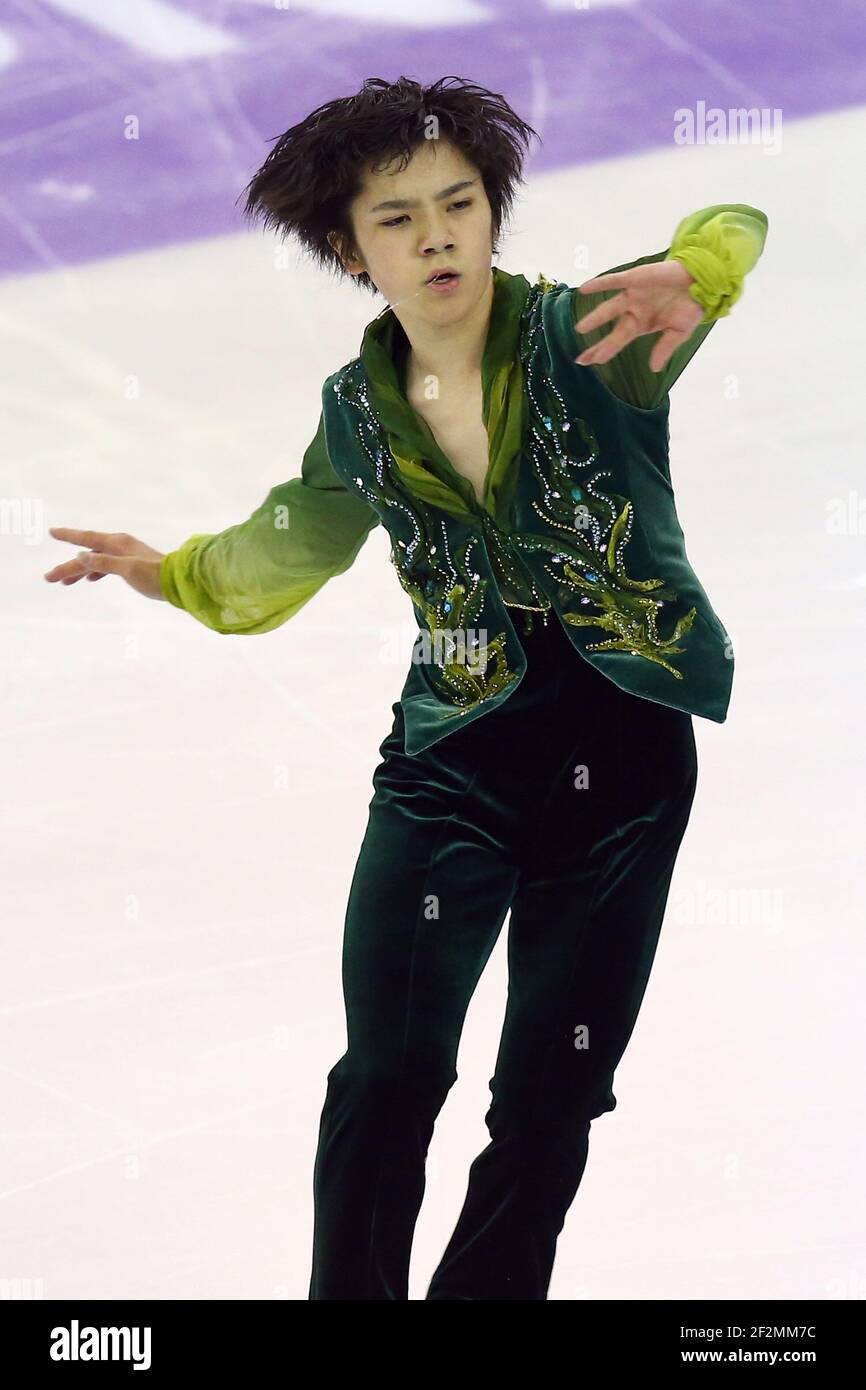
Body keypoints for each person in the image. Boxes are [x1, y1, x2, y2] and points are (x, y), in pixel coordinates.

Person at [45, 75, 768, 1300]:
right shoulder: (357, 416)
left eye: (459, 203)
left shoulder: (590, 336)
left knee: (551, 1095)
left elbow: (738, 217)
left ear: (493, 213)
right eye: (397, 218)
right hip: (452, 759)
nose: (436, 236)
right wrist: (171, 572)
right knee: (384, 1076)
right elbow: (284, 545)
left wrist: (698, 268)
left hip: (625, 760)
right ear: (349, 248)